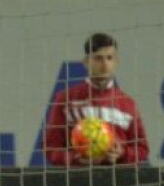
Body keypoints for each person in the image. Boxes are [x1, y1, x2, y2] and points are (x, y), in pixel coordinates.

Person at [44, 32, 149, 166]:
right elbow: (51, 146)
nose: (104, 64)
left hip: (118, 181)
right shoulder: (66, 99)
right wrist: (75, 159)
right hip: (77, 179)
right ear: (86, 62)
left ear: (116, 61)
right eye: (98, 58)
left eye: (109, 58)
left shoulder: (127, 103)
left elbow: (142, 149)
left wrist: (122, 153)